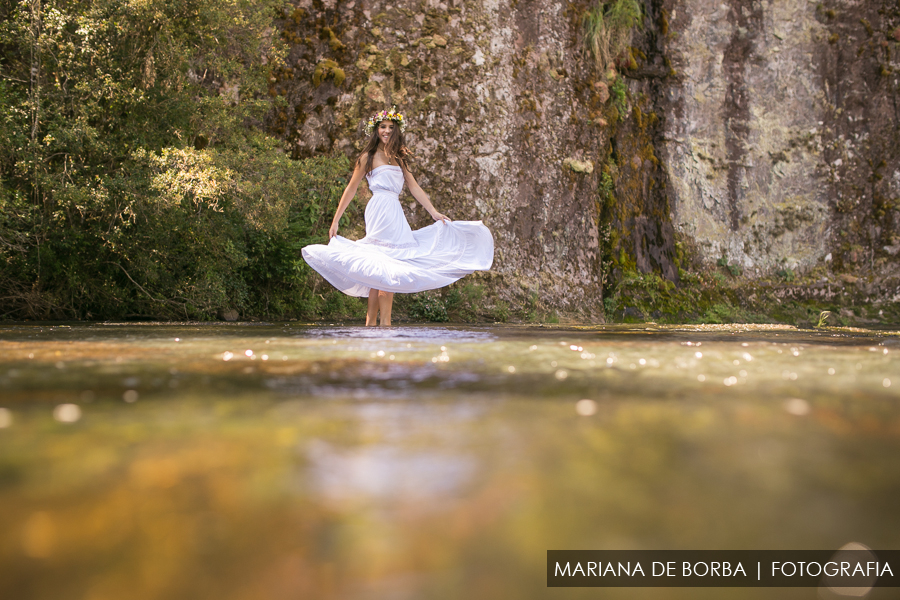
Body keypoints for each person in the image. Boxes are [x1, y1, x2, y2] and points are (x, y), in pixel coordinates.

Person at [301, 107, 494, 326]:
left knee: (383, 266)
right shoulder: (368, 157)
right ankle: (384, 325)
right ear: (376, 130)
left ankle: (371, 325)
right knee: (383, 262)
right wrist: (336, 220)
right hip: (379, 209)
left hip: (395, 212)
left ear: (396, 131)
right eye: (382, 127)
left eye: (391, 128)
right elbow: (351, 188)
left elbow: (414, 187)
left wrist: (433, 212)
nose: (386, 131)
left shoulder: (399, 159)